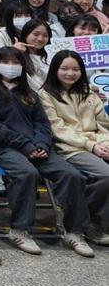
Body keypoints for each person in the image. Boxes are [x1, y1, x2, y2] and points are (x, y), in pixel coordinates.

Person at [0, 46, 94, 258]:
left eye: (16, 62)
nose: (11, 67)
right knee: (26, 173)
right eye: (6, 62)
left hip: (37, 148)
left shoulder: (28, 92)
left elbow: (43, 124)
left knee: (71, 174)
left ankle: (74, 231)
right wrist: (26, 146)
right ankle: (19, 230)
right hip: (3, 148)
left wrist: (41, 145)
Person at [41, 50, 109, 247]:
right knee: (106, 175)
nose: (70, 73)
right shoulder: (45, 95)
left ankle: (87, 217)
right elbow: (58, 129)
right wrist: (91, 146)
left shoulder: (90, 94)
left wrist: (104, 144)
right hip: (69, 148)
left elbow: (103, 124)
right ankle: (94, 225)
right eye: (64, 69)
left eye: (75, 69)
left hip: (98, 144)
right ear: (55, 70)